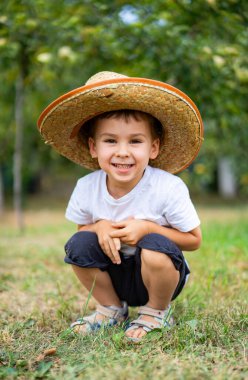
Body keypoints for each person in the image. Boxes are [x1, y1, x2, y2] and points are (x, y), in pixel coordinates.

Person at [37, 71, 204, 342]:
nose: (123, 151)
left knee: (154, 245)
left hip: (157, 276)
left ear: (154, 147)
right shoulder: (87, 187)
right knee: (79, 243)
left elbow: (194, 240)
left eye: (135, 141)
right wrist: (100, 225)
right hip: (112, 274)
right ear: (93, 147)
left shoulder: (167, 187)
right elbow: (83, 230)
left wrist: (149, 228)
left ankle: (155, 311)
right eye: (110, 140)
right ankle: (111, 308)